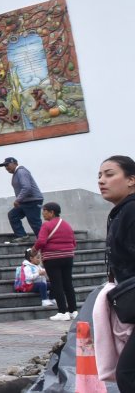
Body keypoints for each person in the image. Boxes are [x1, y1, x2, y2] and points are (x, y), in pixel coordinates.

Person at [98, 155, 135, 392]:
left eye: (110, 174)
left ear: (132, 180)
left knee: (128, 374)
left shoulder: (131, 211)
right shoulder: (122, 211)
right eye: (99, 176)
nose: (102, 181)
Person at [32, 201, 77, 320]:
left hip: (52, 258)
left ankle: (62, 312)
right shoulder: (67, 224)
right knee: (68, 284)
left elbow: (41, 241)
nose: (43, 214)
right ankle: (73, 311)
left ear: (52, 212)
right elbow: (74, 242)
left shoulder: (46, 226)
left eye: (45, 211)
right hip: (68, 257)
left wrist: (34, 250)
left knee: (57, 284)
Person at [1, 157, 44, 242]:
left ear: (15, 163)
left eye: (7, 165)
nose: (6, 168)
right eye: (5, 166)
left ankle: (43, 240)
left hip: (32, 200)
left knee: (34, 222)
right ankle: (22, 236)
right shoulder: (16, 173)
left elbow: (27, 187)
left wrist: (18, 200)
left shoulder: (21, 172)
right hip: (25, 201)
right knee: (13, 215)